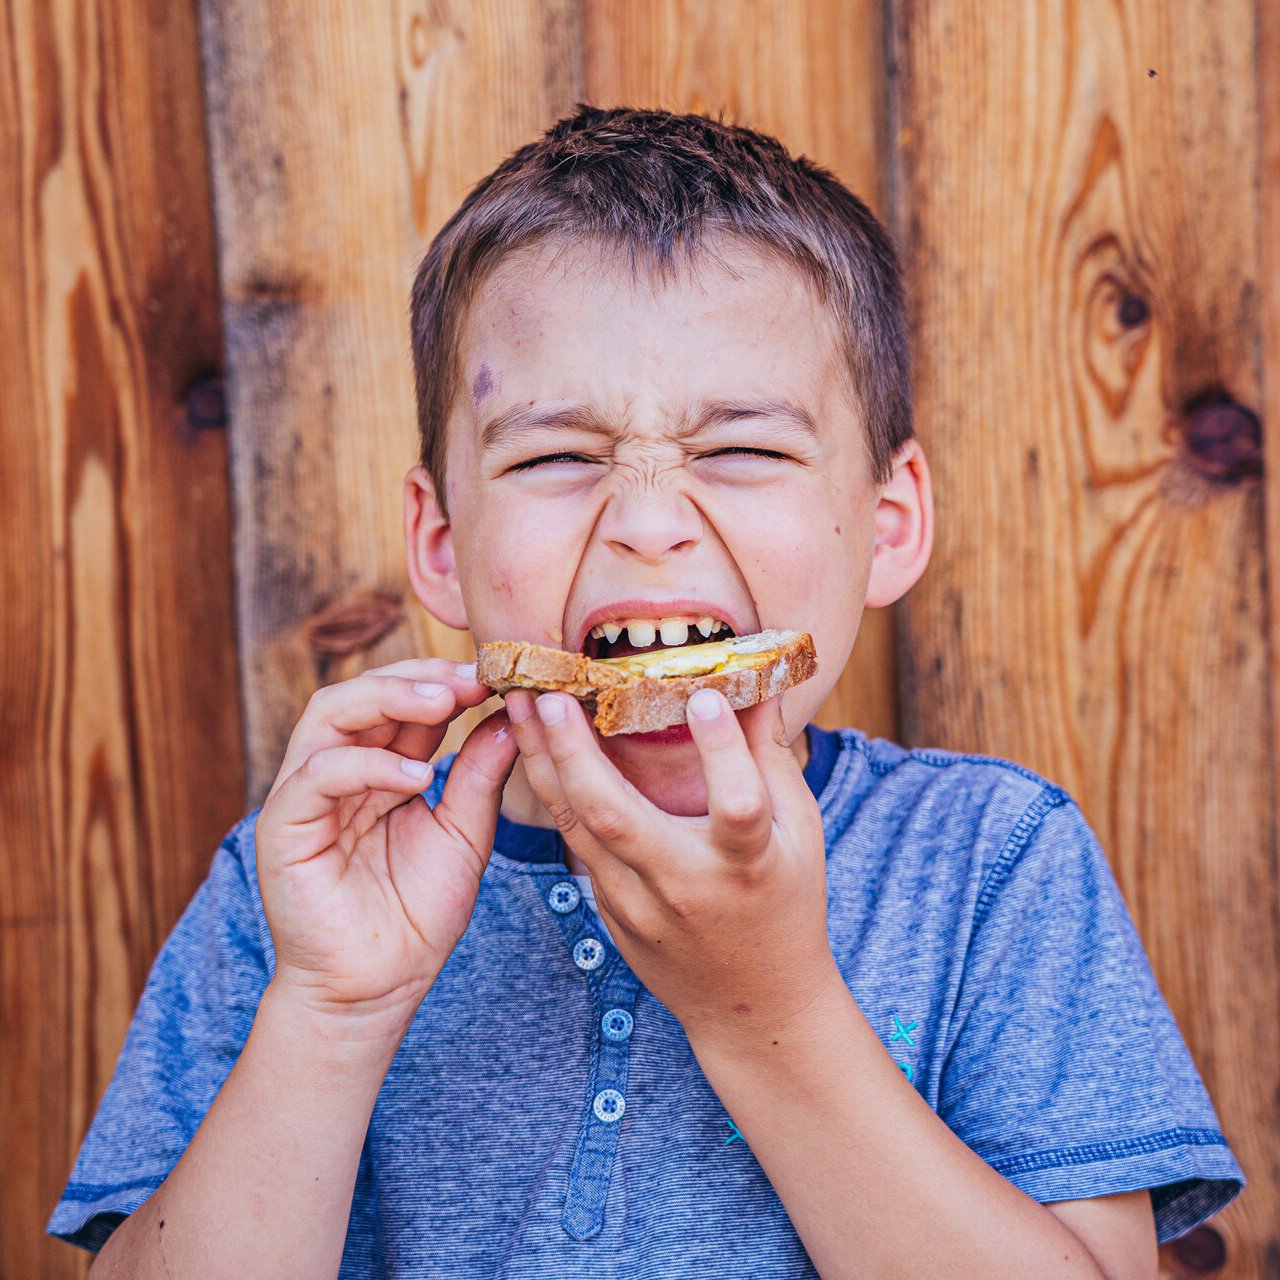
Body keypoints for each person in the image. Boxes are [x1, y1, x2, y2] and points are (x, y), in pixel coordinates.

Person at [50, 106, 1241, 1279]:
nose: (648, 522)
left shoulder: (989, 861)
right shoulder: (310, 887)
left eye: (744, 448)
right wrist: (330, 1012)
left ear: (886, 525)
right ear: (439, 538)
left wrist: (764, 1011)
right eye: (556, 455)